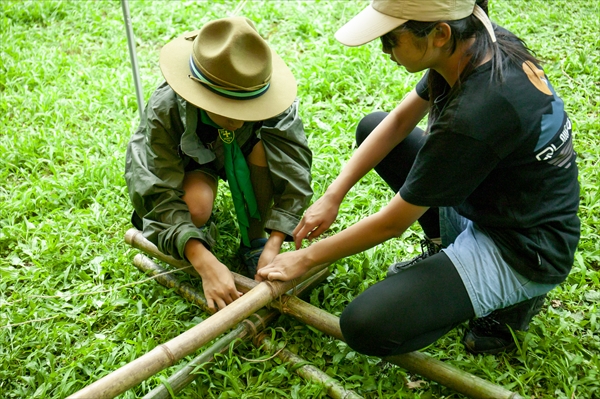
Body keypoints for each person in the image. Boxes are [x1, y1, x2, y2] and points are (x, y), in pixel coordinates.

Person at [257, 0, 580, 356]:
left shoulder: (474, 113)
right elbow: (396, 123)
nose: (384, 50)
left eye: (390, 39)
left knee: (366, 326)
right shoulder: (474, 41)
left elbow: (391, 224)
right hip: (494, 200)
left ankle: (509, 304)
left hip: (524, 248)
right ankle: (447, 248)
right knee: (373, 127)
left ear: (439, 34)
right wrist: (333, 194)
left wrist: (303, 259)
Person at [125, 17, 313, 312]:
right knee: (195, 207)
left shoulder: (269, 96)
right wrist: (202, 259)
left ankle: (254, 238)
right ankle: (198, 227)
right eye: (226, 110)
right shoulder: (167, 108)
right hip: (191, 162)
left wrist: (274, 241)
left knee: (265, 149)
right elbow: (156, 189)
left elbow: (294, 168)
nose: (237, 121)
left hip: (245, 154)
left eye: (246, 109)